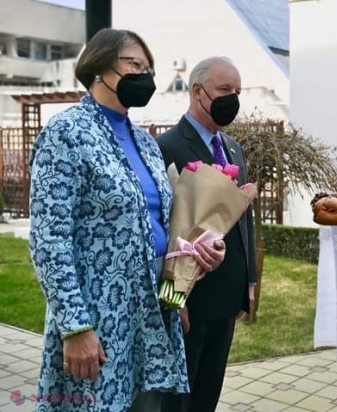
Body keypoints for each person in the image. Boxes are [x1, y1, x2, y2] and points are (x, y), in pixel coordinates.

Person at [29, 28, 225, 412]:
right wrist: (75, 327)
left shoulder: (145, 142)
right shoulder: (66, 133)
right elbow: (49, 237)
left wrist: (188, 272)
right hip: (98, 313)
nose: (145, 76)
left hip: (152, 308)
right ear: (99, 67)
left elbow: (164, 226)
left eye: (149, 68)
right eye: (134, 64)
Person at [158, 57, 257, 412]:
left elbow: (245, 219)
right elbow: (165, 230)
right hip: (189, 298)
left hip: (226, 295)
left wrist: (249, 280)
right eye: (225, 90)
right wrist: (173, 299)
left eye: (238, 92)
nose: (233, 99)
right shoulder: (166, 146)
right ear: (198, 91)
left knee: (208, 394)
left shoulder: (233, 147)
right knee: (180, 399)